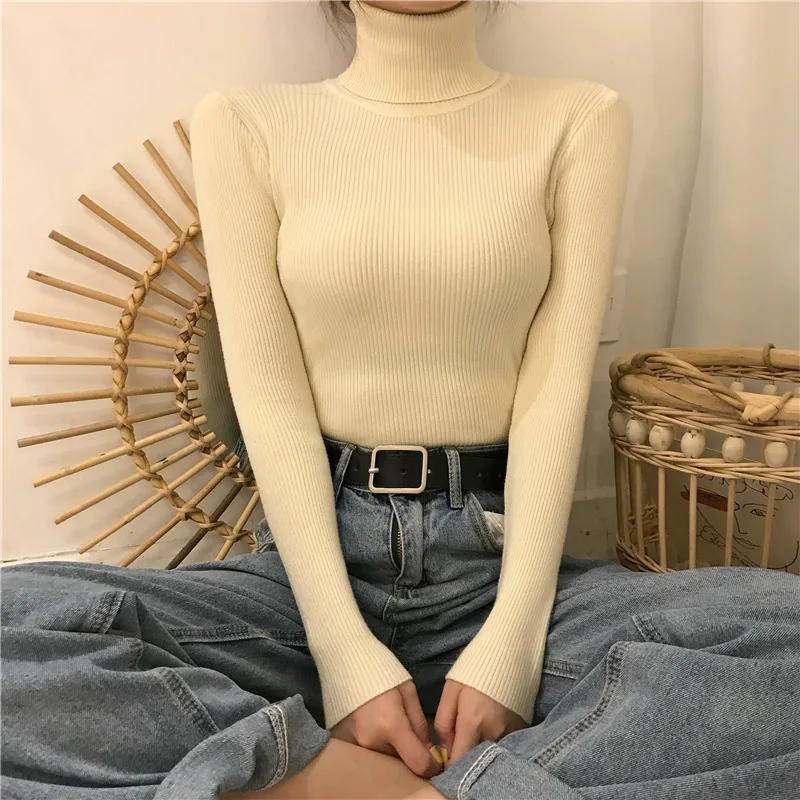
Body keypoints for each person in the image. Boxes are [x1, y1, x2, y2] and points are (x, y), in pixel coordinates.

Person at [2, 2, 798, 799]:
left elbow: (554, 390)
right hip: (312, 578)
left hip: (496, 566)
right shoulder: (246, 124)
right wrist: (343, 654)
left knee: (784, 631)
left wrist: (511, 649)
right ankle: (381, 781)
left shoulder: (579, 117)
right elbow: (269, 395)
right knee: (17, 620)